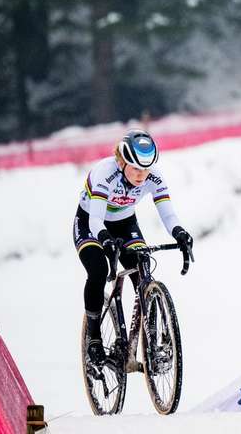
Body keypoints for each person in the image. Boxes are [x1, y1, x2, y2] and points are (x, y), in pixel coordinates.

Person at [73, 129, 193, 365]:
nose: (142, 176)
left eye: (146, 169)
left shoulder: (153, 177)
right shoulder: (105, 173)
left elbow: (168, 214)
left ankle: (153, 341)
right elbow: (96, 220)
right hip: (90, 222)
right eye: (136, 169)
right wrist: (105, 240)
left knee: (143, 268)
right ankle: (94, 338)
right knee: (97, 269)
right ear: (121, 162)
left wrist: (179, 232)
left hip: (125, 224)